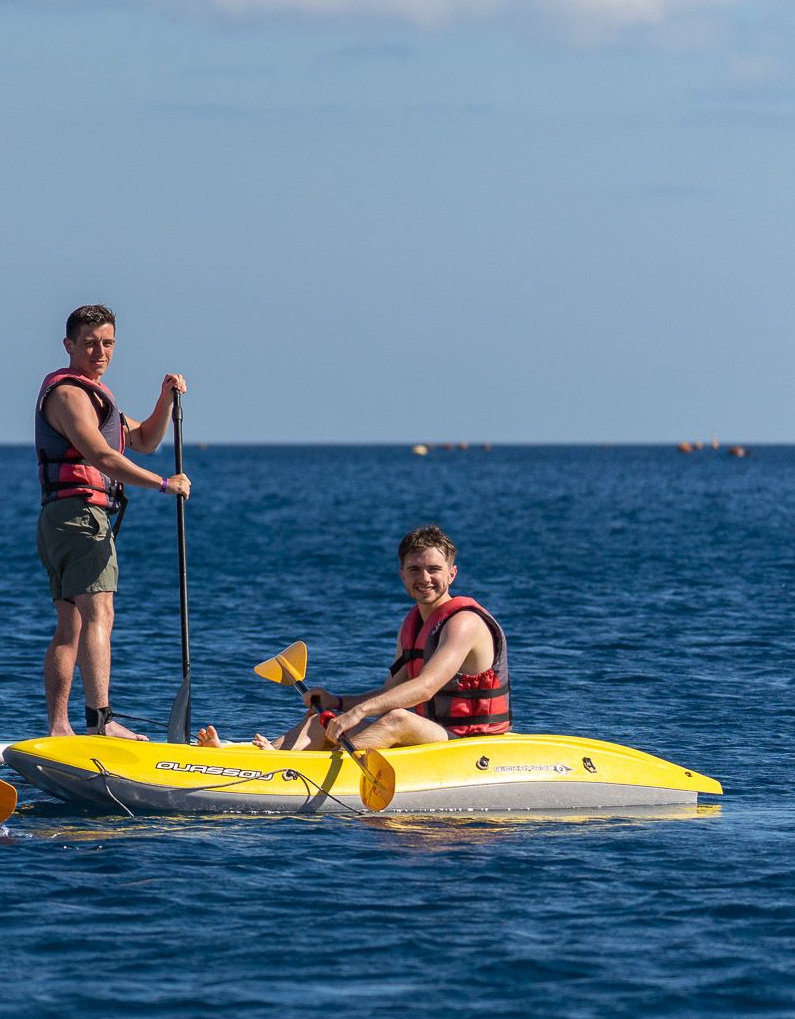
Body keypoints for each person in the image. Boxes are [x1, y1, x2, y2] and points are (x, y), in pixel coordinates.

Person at [197, 524, 510, 750]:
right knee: (321, 718)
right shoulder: (413, 623)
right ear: (402, 574)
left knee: (396, 719)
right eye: (414, 570)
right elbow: (392, 690)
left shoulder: (463, 623)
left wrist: (360, 712)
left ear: (451, 574)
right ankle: (255, 755)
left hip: (468, 744)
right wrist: (340, 702)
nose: (424, 578)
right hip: (429, 736)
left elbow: (425, 688)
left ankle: (303, 771)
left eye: (434, 569)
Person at [38, 303, 192, 739]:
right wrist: (166, 485)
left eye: (107, 343)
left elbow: (142, 440)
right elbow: (102, 456)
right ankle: (100, 724)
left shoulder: (96, 397)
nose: (99, 351)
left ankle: (61, 728)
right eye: (89, 343)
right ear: (69, 345)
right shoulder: (69, 395)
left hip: (70, 518)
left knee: (73, 624)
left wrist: (164, 399)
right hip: (79, 518)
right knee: (98, 613)